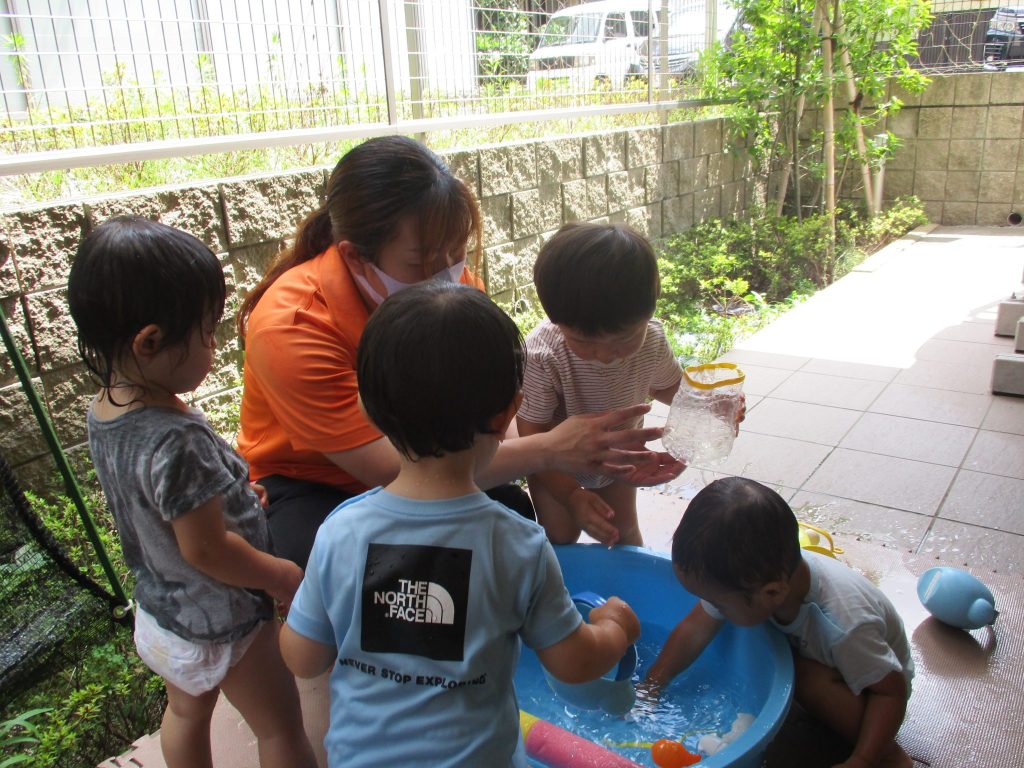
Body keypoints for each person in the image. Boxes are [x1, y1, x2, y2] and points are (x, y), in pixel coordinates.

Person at [236, 135, 679, 568]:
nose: (447, 274)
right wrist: (548, 449)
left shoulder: (449, 287)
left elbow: (486, 409)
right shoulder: (292, 327)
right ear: (355, 257)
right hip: (316, 481)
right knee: (341, 567)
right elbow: (391, 470)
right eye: (422, 261)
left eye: (455, 252)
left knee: (515, 529)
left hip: (437, 446)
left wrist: (557, 464)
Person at [279, 281, 641, 767]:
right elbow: (574, 663)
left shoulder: (340, 531)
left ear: (366, 408)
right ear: (508, 412)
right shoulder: (516, 543)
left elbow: (304, 658)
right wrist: (614, 628)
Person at [67, 217, 317, 768]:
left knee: (185, 713)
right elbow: (206, 549)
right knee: (279, 726)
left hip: (164, 610)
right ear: (150, 341)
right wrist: (281, 575)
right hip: (224, 617)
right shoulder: (176, 441)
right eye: (206, 332)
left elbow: (161, 506)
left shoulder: (105, 410)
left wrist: (231, 496)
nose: (214, 343)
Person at [642, 477, 914, 768]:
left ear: (772, 592)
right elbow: (694, 630)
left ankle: (890, 757)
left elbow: (891, 692)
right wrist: (651, 685)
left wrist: (864, 758)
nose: (712, 607)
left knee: (806, 678)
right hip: (833, 661)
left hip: (874, 690)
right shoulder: (763, 574)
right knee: (750, 637)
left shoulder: (844, 625)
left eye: (719, 602)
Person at [516, 222, 685, 547]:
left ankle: (632, 594)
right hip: (557, 467)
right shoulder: (544, 354)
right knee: (560, 538)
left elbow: (669, 386)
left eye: (624, 339)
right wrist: (570, 494)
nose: (606, 355)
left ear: (649, 310)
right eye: (584, 341)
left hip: (619, 462)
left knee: (624, 535)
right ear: (556, 320)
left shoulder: (651, 340)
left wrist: (709, 406)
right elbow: (532, 435)